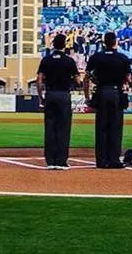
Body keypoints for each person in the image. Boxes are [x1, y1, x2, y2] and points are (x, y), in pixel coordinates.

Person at [84, 31, 132, 169]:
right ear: (115, 41)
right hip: (116, 93)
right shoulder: (122, 57)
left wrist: (87, 97)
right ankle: (114, 160)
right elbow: (128, 79)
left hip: (101, 92)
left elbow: (86, 78)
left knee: (101, 128)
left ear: (104, 42)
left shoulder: (96, 57)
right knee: (116, 128)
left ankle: (101, 160)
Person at [36, 34, 81, 170]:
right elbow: (78, 80)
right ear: (64, 45)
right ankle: (61, 160)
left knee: (50, 128)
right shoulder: (69, 61)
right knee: (63, 127)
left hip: (50, 94)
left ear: (53, 44)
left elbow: (39, 81)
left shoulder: (46, 60)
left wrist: (41, 97)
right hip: (63, 95)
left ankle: (50, 160)